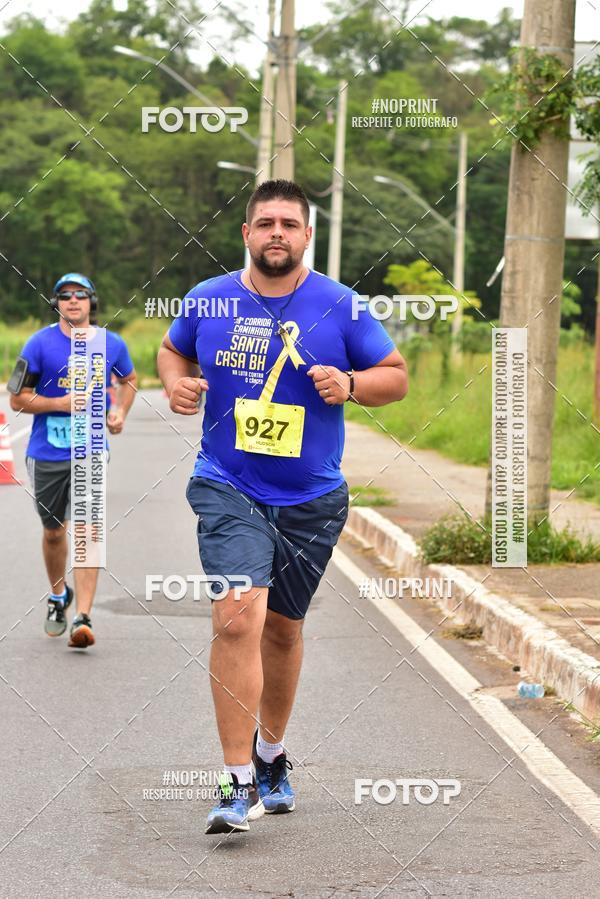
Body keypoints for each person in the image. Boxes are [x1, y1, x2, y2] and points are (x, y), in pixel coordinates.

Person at [157, 180, 408, 835]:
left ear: (305, 235)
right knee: (239, 617)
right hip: (227, 485)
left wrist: (353, 384)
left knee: (283, 629)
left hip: (312, 498)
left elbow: (396, 375)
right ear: (246, 232)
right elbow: (172, 348)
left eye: (288, 223)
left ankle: (271, 755)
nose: (276, 232)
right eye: (264, 221)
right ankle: (237, 783)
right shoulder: (208, 300)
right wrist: (175, 383)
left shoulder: (341, 305)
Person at [8, 273, 137, 648]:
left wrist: (119, 413)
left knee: (87, 531)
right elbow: (17, 398)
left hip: (91, 450)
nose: (73, 301)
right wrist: (59, 405)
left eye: (81, 295)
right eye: (65, 296)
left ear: (91, 302)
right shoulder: (38, 344)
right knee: (53, 532)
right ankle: (57, 594)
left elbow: (128, 380)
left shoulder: (111, 343)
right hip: (46, 452)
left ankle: (83, 617)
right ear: (57, 303)